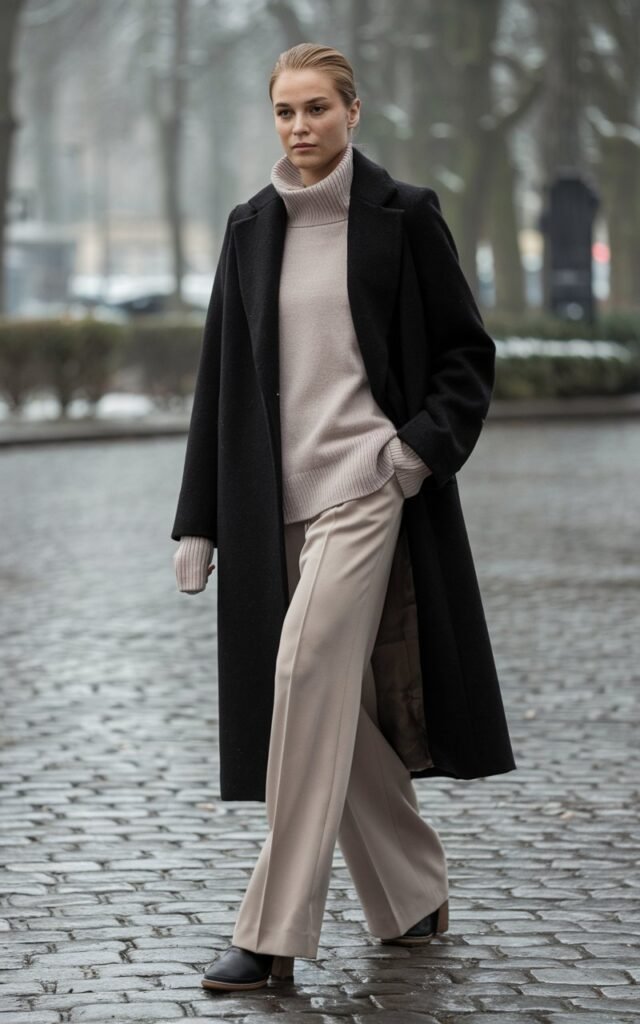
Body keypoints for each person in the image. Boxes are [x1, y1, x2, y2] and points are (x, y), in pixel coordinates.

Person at [171, 42, 516, 993]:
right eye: (285, 111)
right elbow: (222, 381)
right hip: (267, 504)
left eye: (317, 108)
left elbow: (466, 356)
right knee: (338, 713)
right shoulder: (251, 227)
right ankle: (413, 891)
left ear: (354, 111)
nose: (299, 127)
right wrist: (198, 518)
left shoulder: (404, 219)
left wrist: (409, 454)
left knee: (303, 670)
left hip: (365, 488)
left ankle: (273, 931)